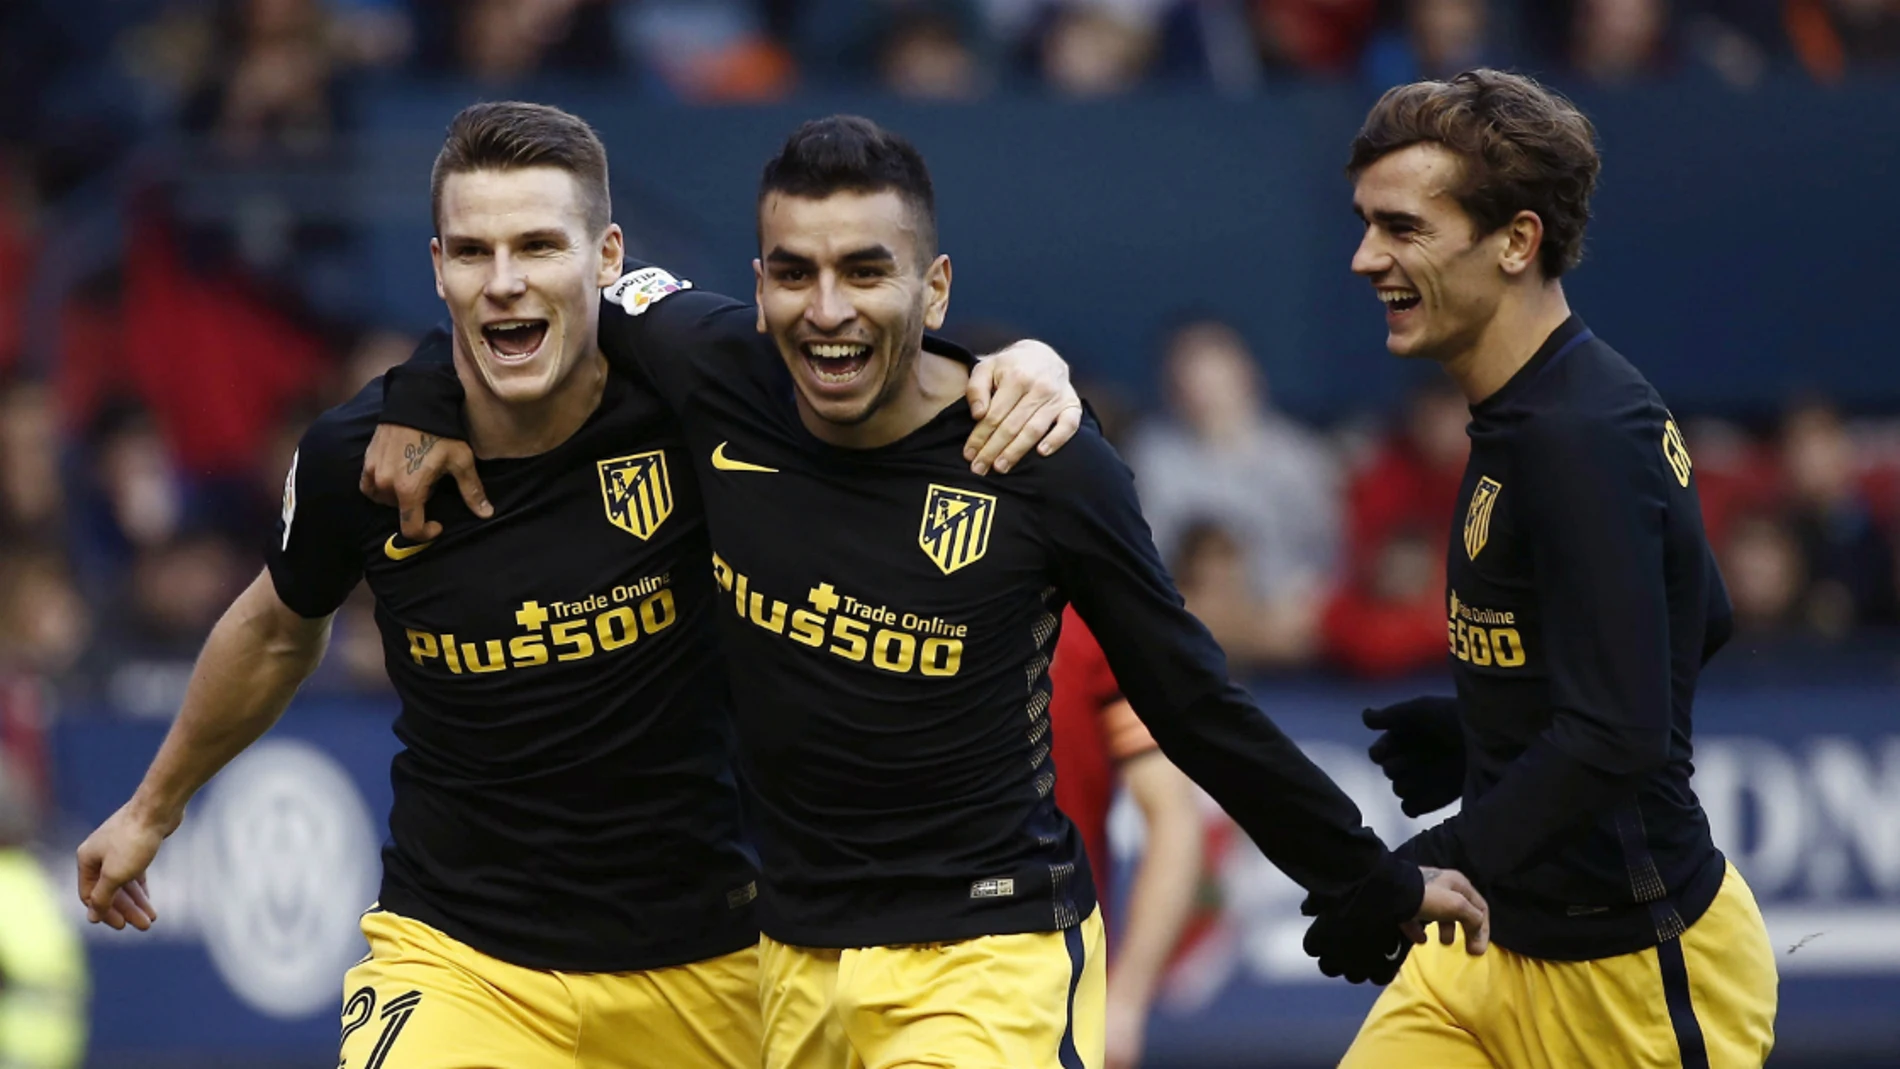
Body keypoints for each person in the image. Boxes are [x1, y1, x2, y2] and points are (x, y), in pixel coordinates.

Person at [372, 113, 1490, 1069]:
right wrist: (422, 390)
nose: (827, 309)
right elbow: (531, 297)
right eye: (796, 272)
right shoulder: (707, 363)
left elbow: (1194, 699)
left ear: (934, 285)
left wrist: (1363, 872)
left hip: (986, 960)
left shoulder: (1039, 456)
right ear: (755, 284)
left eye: (866, 270)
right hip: (789, 964)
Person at [73, 102, 1081, 1069]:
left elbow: (872, 361)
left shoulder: (701, 404)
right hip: (462, 959)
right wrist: (155, 805)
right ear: (437, 269)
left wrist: (1024, 362)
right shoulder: (364, 458)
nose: (502, 281)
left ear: (608, 260)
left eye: (537, 247)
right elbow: (275, 627)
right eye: (472, 252)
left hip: (714, 966)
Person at [1329, 68, 1778, 1067]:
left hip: (1627, 973)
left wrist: (1427, 863)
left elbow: (1619, 734)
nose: (1364, 258)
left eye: (1401, 227)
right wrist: (1502, 725)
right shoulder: (1536, 403)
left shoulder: (1580, 432)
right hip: (1489, 947)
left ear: (1516, 241)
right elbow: (1696, 609)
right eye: (1365, 224)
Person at [1047, 606, 1202, 1069]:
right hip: (875, 960)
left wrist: (1127, 999)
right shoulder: (869, 597)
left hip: (1053, 987)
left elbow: (1174, 816)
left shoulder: (1096, 625)